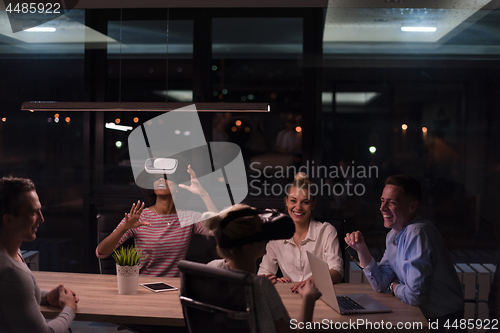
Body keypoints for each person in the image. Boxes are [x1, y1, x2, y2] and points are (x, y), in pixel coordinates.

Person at [345, 175, 464, 332]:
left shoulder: (417, 233)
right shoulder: (393, 235)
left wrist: (394, 287)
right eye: (382, 200)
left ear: (412, 207)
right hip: (421, 318)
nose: (382, 208)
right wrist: (361, 248)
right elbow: (380, 283)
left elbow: (415, 296)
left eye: (392, 202)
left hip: (442, 323)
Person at [205, 204, 321, 333]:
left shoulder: (211, 269)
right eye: (262, 231)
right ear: (251, 245)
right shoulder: (262, 286)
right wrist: (309, 299)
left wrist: (253, 282)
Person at [96, 165, 217, 277]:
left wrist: (203, 194)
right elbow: (101, 252)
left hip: (174, 288)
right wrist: (124, 228)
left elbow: (220, 228)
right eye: (157, 178)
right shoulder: (139, 217)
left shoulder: (189, 218)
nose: (161, 180)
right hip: (143, 286)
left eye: (167, 177)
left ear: (179, 187)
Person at [0, 177, 78, 333]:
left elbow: (12, 297)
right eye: (33, 213)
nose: (41, 219)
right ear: (9, 220)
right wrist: (69, 308)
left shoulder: (11, 250)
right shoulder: (11, 273)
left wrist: (47, 297)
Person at [258, 172, 344, 292]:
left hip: (319, 295)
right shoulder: (276, 235)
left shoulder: (326, 231)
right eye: (293, 201)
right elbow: (263, 273)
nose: (298, 207)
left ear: (313, 204)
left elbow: (337, 270)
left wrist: (315, 280)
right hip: (290, 295)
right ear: (286, 201)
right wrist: (275, 280)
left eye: (305, 202)